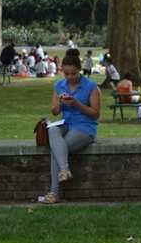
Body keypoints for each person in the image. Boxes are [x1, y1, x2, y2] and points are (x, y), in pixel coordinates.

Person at [39, 49, 101, 204]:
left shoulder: (92, 87)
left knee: (57, 149)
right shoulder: (59, 85)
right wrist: (59, 104)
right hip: (66, 124)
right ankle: (64, 171)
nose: (70, 77)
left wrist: (76, 104)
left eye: (73, 74)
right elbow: (55, 111)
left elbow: (95, 114)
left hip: (85, 127)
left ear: (79, 70)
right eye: (66, 74)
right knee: (52, 130)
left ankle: (54, 193)